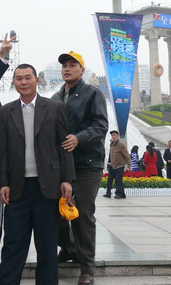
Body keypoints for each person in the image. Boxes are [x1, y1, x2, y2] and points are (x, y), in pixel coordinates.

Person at [0, 63, 75, 285]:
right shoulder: (5, 112)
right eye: (19, 78)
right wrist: (3, 182)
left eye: (28, 77)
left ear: (37, 80)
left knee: (47, 245)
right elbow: (3, 151)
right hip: (17, 188)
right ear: (14, 82)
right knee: (13, 244)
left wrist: (67, 179)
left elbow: (64, 146)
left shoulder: (55, 108)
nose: (24, 82)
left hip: (48, 187)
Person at [52, 51, 108, 285]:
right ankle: (69, 247)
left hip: (87, 164)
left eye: (72, 65)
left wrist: (79, 138)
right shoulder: (56, 97)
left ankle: (87, 269)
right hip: (60, 166)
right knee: (55, 213)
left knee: (82, 215)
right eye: (64, 65)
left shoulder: (92, 93)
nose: (67, 68)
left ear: (82, 70)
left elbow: (101, 125)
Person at [103, 130, 131, 199]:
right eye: (112, 135)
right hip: (112, 165)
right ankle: (108, 193)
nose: (113, 136)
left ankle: (120, 194)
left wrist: (129, 165)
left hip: (119, 165)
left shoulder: (121, 144)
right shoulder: (112, 144)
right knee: (109, 180)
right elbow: (110, 155)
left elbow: (127, 155)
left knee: (118, 180)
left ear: (118, 136)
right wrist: (108, 164)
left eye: (114, 135)